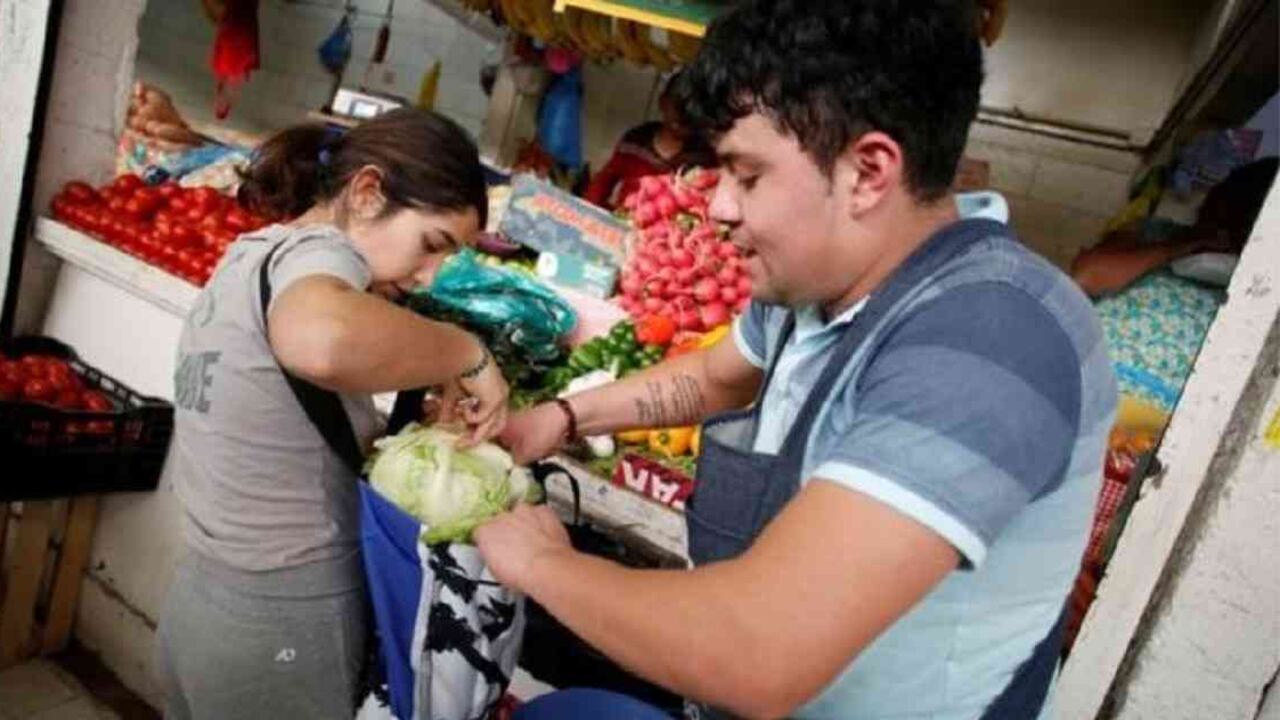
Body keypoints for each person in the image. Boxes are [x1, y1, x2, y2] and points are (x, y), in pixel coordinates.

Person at [479, 2, 1116, 718]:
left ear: (868, 171)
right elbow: (715, 377)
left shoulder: (994, 336)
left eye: (746, 176)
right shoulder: (815, 288)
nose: (718, 207)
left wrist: (543, 563)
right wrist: (564, 416)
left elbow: (760, 650)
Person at [154, 108, 509, 719]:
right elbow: (320, 340)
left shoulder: (257, 256)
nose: (428, 276)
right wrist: (464, 350)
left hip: (204, 602)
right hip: (283, 621)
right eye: (431, 246)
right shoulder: (322, 253)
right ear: (367, 193)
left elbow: (283, 409)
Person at [582, 71, 717, 210]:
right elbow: (602, 183)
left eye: (690, 113)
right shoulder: (635, 141)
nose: (682, 117)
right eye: (677, 107)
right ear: (663, 102)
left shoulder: (704, 159)